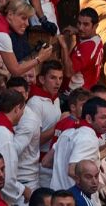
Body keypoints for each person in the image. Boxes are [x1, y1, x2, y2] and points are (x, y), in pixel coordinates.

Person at [0, 0, 53, 118]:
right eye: (23, 18)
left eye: (28, 19)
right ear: (10, 15)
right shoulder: (1, 34)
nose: (27, 23)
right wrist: (39, 58)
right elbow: (16, 70)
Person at [26, 60, 64, 188]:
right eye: (53, 78)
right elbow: (34, 140)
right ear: (42, 79)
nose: (58, 82)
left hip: (54, 159)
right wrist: (60, 126)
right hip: (40, 164)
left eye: (60, 78)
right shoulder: (35, 103)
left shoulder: (56, 99)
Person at [7, 77, 43, 204]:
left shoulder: (29, 120)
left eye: (20, 94)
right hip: (10, 182)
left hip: (24, 184)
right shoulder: (2, 112)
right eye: (13, 94)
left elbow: (12, 151)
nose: (16, 99)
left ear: (27, 95)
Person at [58, 8, 103, 94]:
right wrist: (76, 31)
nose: (81, 28)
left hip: (75, 95)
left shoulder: (88, 46)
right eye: (79, 23)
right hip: (86, 90)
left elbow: (68, 72)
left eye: (86, 24)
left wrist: (64, 46)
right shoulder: (97, 39)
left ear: (95, 26)